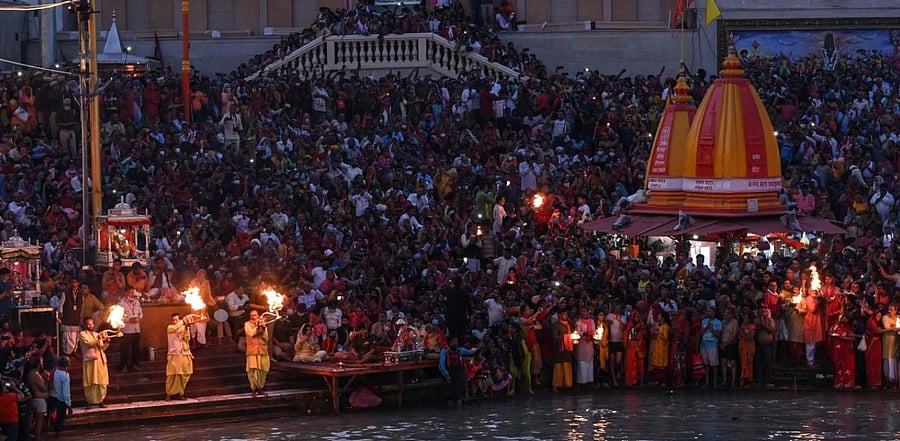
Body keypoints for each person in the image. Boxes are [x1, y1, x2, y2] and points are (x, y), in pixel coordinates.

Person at [79, 318, 110, 408]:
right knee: (90, 381)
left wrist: (107, 342)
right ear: (84, 325)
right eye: (88, 324)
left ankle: (101, 400)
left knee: (101, 381)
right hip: (90, 361)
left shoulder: (97, 334)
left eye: (92, 324)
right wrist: (99, 338)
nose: (91, 326)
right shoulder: (82, 334)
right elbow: (90, 343)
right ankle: (89, 402)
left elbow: (101, 348)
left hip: (100, 361)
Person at [439, 337, 478, 407]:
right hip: (449, 373)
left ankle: (459, 413)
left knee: (458, 394)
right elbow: (442, 365)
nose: (455, 343)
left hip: (459, 373)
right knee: (449, 396)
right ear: (449, 343)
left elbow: (471, 353)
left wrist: (479, 349)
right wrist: (447, 375)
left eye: (456, 342)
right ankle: (451, 412)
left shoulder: (460, 350)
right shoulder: (444, 351)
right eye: (454, 342)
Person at [166, 313, 193, 401]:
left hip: (184, 353)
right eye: (173, 320)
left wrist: (186, 327)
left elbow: (187, 338)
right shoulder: (170, 327)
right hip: (174, 353)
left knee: (185, 373)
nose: (174, 322)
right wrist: (183, 321)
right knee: (172, 374)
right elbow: (175, 328)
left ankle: (180, 393)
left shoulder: (183, 327)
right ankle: (169, 394)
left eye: (176, 320)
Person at [244, 310, 270, 396]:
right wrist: (257, 328)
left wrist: (263, 329)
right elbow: (250, 333)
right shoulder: (247, 324)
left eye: (255, 315)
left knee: (262, 371)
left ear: (258, 316)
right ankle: (253, 389)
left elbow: (266, 338)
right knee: (252, 371)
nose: (253, 317)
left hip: (262, 350)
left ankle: (260, 388)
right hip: (252, 351)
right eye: (251, 315)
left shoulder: (263, 324)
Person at [117, 289, 143, 373]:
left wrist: (139, 318)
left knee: (136, 347)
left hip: (136, 328)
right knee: (125, 348)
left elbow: (141, 312)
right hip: (127, 329)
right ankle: (124, 365)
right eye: (130, 292)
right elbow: (118, 316)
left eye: (133, 292)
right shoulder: (121, 303)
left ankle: (135, 364)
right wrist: (129, 319)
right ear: (125, 292)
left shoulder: (137, 302)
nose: (132, 294)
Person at [24, 356, 47, 441]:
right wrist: (46, 379)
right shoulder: (36, 375)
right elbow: (43, 388)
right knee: (39, 422)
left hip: (33, 398)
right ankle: (38, 437)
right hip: (40, 399)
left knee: (31, 421)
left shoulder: (29, 373)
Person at [47, 356, 72, 438]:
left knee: (53, 413)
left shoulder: (54, 371)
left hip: (52, 396)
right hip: (60, 398)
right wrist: (68, 404)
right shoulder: (65, 375)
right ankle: (57, 434)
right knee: (60, 417)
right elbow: (66, 392)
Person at [830, 315, 857, 390]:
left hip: (847, 350)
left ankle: (848, 383)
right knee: (839, 366)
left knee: (848, 365)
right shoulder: (835, 327)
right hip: (838, 349)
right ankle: (839, 383)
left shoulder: (848, 328)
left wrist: (843, 338)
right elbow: (830, 333)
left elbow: (853, 338)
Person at [552, 310, 574, 391]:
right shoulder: (556, 325)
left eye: (566, 314)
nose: (566, 315)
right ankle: (556, 384)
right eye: (564, 314)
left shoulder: (569, 324)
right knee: (558, 366)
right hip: (559, 349)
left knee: (567, 364)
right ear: (559, 315)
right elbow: (554, 337)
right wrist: (564, 337)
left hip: (567, 349)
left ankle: (567, 384)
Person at [699, 308, 721, 387]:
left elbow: (718, 335)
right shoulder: (704, 321)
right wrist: (706, 327)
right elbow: (701, 333)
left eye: (710, 311)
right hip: (704, 345)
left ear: (714, 313)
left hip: (713, 345)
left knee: (714, 364)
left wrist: (711, 328)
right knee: (706, 364)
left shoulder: (718, 322)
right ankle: (707, 381)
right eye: (707, 311)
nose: (708, 313)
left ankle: (715, 382)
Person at [574, 308, 596, 387]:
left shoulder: (592, 321)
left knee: (590, 363)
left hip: (589, 345)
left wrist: (591, 336)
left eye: (586, 312)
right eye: (582, 312)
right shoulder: (578, 322)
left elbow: (594, 331)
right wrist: (583, 334)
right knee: (582, 364)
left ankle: (589, 381)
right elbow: (578, 332)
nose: (584, 314)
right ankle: (581, 383)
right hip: (582, 345)